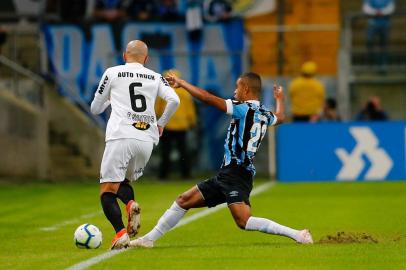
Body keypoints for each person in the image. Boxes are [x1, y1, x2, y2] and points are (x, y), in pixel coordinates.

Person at [130, 72, 313, 248]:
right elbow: (280, 117)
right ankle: (148, 239)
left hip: (236, 174)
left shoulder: (242, 109)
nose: (234, 92)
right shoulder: (264, 114)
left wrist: (183, 84)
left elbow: (208, 98)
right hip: (228, 174)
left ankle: (298, 234)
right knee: (183, 200)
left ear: (247, 89)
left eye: (237, 87)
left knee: (243, 221)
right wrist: (280, 98)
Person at [90, 40, 180, 249]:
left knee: (107, 190)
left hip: (121, 135)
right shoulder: (155, 76)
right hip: (146, 139)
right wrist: (161, 124)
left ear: (124, 56)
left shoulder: (112, 72)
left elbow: (95, 108)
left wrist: (110, 100)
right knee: (123, 181)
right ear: (146, 59)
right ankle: (130, 204)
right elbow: (174, 100)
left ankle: (121, 233)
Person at [156, 69, 197, 179]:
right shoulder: (184, 92)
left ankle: (163, 175)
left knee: (165, 151)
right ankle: (186, 174)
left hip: (167, 125)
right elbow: (190, 110)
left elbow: (158, 110)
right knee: (183, 151)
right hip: (182, 126)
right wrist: (192, 122)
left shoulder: (162, 92)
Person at [363, 0, 395, 67]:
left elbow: (391, 8)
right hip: (372, 24)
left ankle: (383, 64)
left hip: (385, 24)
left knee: (384, 45)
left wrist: (382, 12)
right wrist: (376, 12)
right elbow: (366, 8)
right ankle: (371, 62)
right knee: (369, 41)